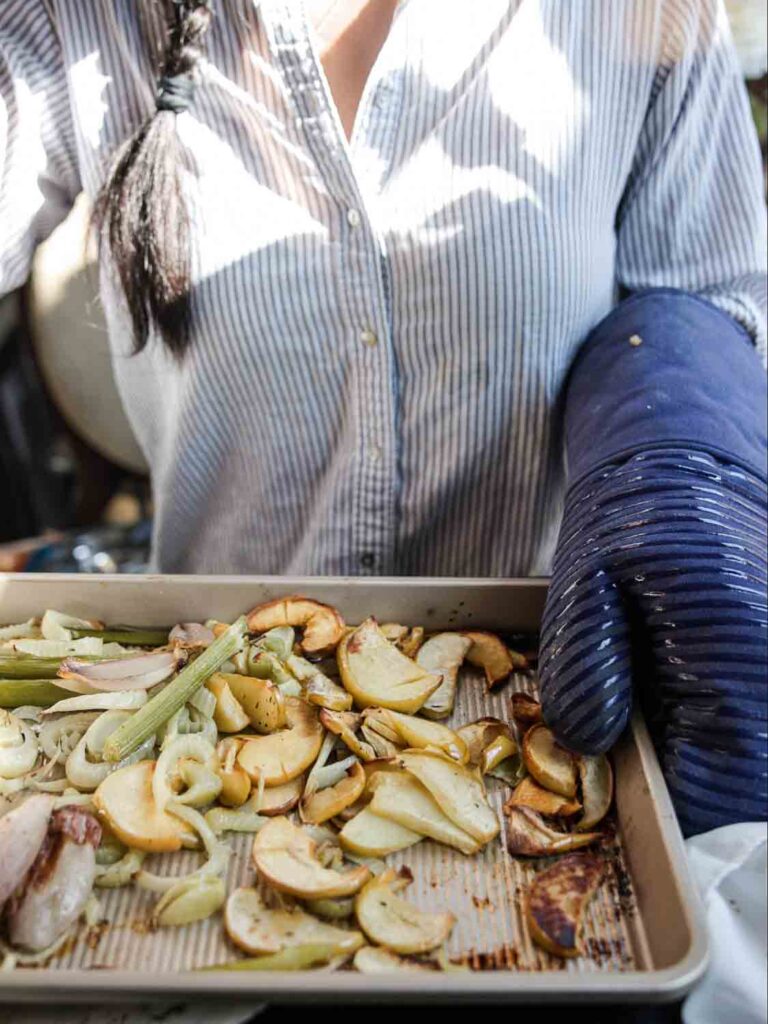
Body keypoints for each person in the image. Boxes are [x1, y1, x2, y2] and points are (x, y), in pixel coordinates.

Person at [1, 1, 765, 840]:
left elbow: (715, 298)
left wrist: (669, 438)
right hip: (214, 719)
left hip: (543, 707)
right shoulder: (78, 24)